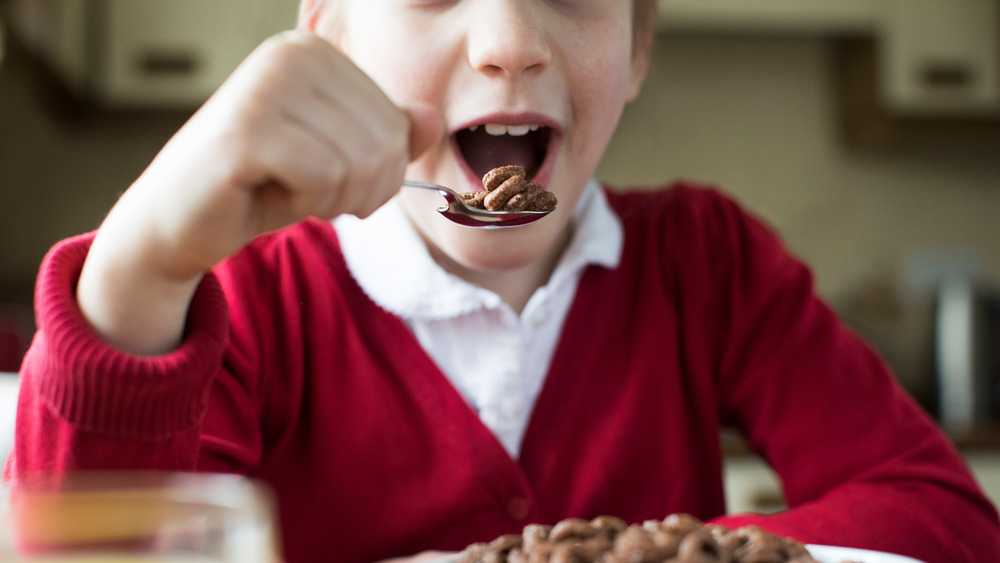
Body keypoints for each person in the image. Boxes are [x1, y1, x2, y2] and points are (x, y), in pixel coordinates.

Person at [6, 1, 999, 561]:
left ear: (638, 44)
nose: (510, 42)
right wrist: (140, 265)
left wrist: (634, 553)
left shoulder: (708, 263)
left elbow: (944, 515)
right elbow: (88, 549)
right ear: (330, 35)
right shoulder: (249, 299)